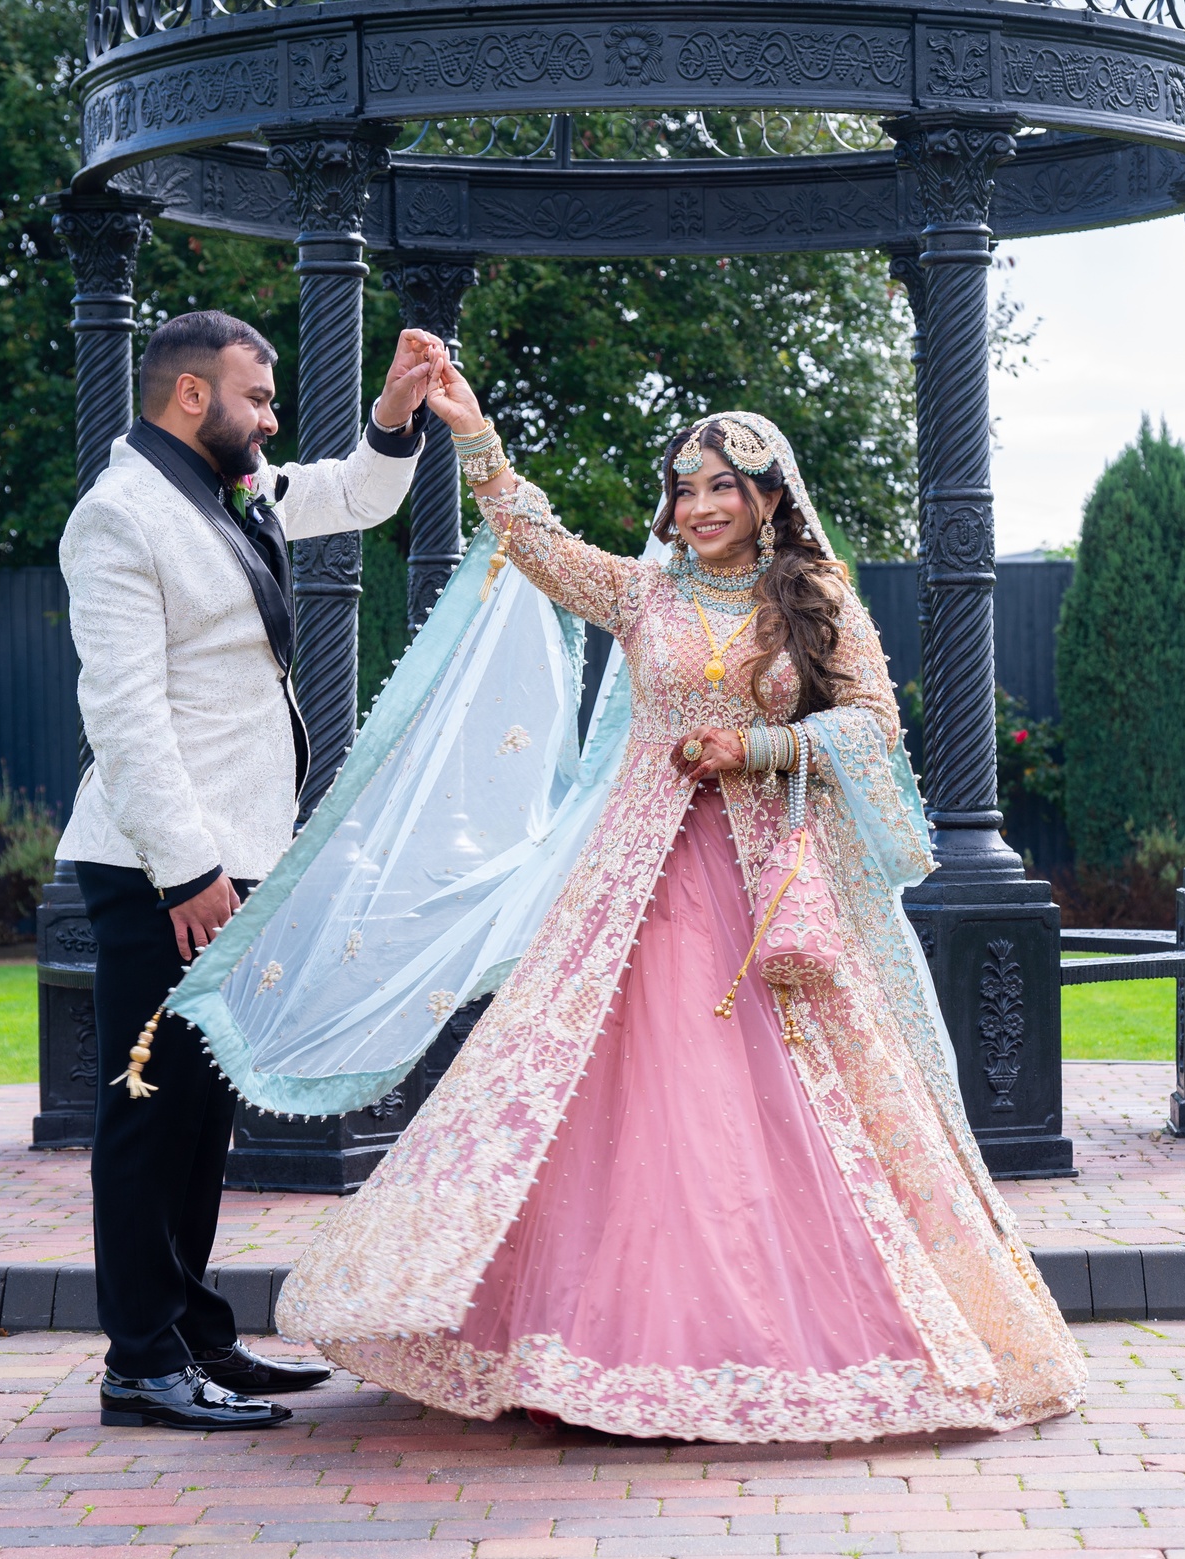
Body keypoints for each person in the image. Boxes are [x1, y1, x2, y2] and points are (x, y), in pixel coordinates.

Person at [264, 357, 1087, 1442]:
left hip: (763, 891)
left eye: (720, 487)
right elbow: (538, 546)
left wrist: (760, 743)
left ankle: (758, 1346)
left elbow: (876, 723)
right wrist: (474, 436)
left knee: (760, 1107)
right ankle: (579, 1354)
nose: (696, 508)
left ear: (768, 497)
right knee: (615, 1094)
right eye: (684, 488)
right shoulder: (645, 592)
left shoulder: (814, 598)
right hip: (632, 885)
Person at [55, 308, 444, 1431]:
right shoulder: (122, 516)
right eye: (258, 400)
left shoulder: (228, 488)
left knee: (199, 1118)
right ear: (191, 397)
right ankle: (139, 1364)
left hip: (239, 861)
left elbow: (356, 497)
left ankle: (198, 1340)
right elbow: (123, 719)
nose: (271, 421)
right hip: (157, 871)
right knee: (147, 1117)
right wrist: (187, 874)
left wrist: (394, 413)